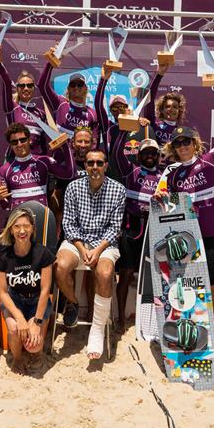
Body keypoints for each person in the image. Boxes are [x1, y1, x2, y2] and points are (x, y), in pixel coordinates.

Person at [152, 83, 214, 335]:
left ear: (195, 143)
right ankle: (192, 328)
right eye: (178, 143)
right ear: (173, 148)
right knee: (188, 285)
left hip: (211, 238)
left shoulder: (212, 161)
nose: (182, 146)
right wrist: (161, 196)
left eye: (186, 142)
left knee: (211, 283)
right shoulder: (172, 173)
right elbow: (165, 204)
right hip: (186, 239)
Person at [56, 149, 125, 359]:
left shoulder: (118, 189)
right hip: (77, 242)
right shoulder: (73, 187)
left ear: (106, 165)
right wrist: (82, 248)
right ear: (85, 165)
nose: (94, 167)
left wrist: (97, 250)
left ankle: (96, 330)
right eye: (90, 163)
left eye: (99, 163)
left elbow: (115, 228)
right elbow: (68, 223)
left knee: (105, 274)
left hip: (104, 244)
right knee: (60, 266)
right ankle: (73, 303)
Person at [0, 208, 54, 375]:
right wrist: (19, 317)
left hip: (37, 300)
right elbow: (2, 292)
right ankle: (18, 357)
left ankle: (37, 355)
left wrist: (37, 322)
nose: (22, 231)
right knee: (13, 328)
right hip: (15, 300)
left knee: (34, 343)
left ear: (32, 229)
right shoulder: (4, 257)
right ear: (11, 230)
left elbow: (45, 290)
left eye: (26, 226)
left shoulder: (43, 254)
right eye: (17, 226)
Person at [112, 133, 161, 329]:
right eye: (145, 152)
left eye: (153, 152)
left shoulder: (164, 176)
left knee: (155, 275)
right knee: (125, 273)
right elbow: (115, 153)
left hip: (154, 229)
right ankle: (121, 319)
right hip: (132, 230)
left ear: (158, 155)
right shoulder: (130, 171)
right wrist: (123, 130)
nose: (149, 155)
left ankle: (153, 321)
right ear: (138, 156)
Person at [0, 123, 74, 210]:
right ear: (10, 144)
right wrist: (1, 198)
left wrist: (65, 145)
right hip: (19, 219)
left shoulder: (44, 161)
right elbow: (3, 206)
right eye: (14, 142)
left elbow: (69, 174)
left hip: (40, 217)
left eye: (22, 140)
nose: (19, 144)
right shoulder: (5, 169)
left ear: (29, 140)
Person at [0, 61, 47, 155]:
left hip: (35, 161)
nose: (26, 88)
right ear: (17, 88)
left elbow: (43, 143)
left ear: (34, 89)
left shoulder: (41, 114)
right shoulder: (12, 107)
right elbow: (6, 83)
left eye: (29, 85)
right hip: (15, 159)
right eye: (22, 86)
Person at [38, 65, 99, 144]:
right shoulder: (60, 103)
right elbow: (42, 85)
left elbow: (93, 143)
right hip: (61, 153)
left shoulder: (92, 114)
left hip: (80, 155)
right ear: (68, 89)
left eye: (80, 84)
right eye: (73, 85)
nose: (76, 87)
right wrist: (50, 64)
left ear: (85, 88)